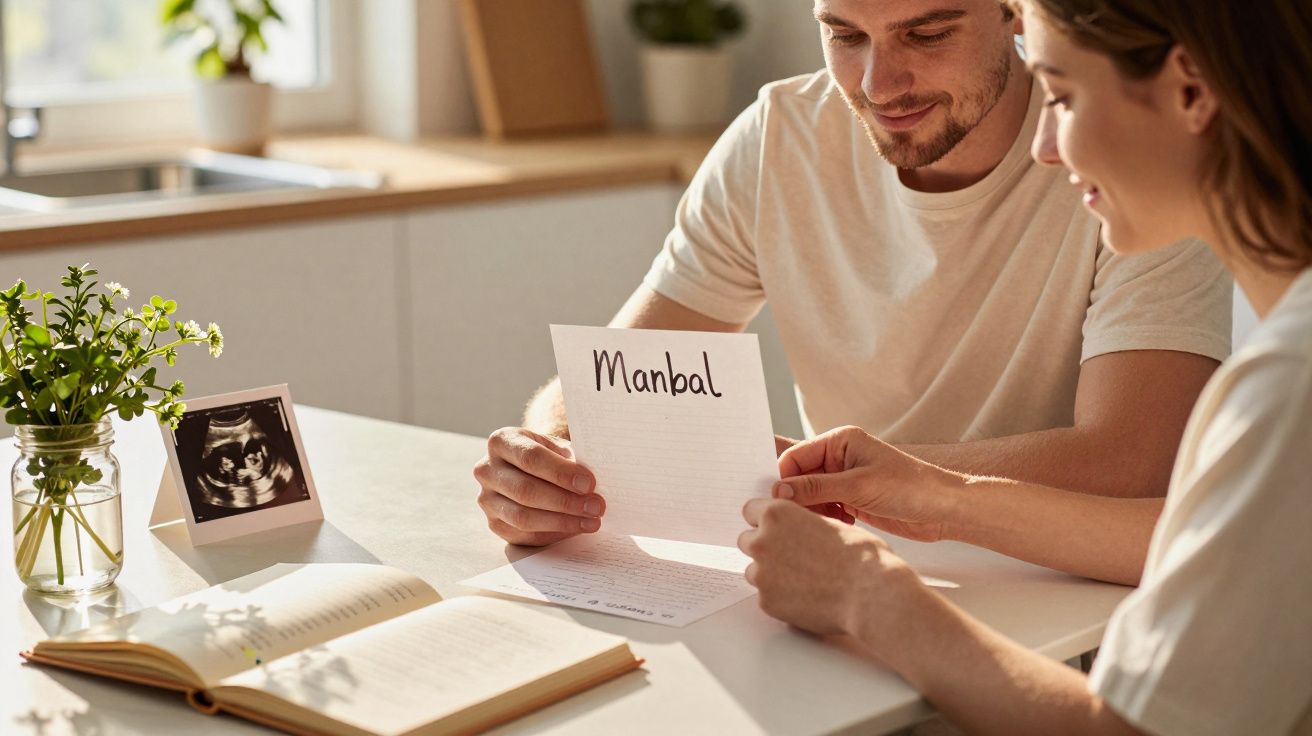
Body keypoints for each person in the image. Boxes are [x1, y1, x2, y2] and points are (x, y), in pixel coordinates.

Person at [739, 0, 1312, 732]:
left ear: (1192, 90)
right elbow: (1207, 540)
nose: (1044, 144)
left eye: (1064, 98)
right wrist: (935, 494)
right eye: (844, 35)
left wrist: (866, 594)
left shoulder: (1287, 390)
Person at [474, 0, 1232, 547]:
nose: (880, 84)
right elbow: (620, 377)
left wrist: (867, 482)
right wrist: (551, 465)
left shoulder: (1115, 156)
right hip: (842, 569)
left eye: (927, 33)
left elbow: (1135, 460)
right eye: (844, 35)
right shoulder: (781, 137)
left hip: (1061, 589)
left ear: (1016, 13)